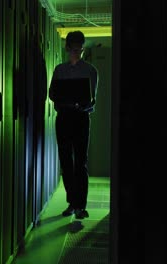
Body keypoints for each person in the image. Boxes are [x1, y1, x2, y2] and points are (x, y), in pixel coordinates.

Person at [49, 30, 98, 219]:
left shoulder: (91, 71)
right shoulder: (59, 70)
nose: (76, 54)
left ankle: (80, 206)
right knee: (66, 162)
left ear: (83, 49)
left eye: (80, 50)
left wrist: (82, 104)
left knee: (81, 163)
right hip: (63, 117)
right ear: (67, 48)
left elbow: (92, 100)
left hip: (81, 118)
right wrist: (65, 100)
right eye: (73, 50)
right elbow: (52, 93)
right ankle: (72, 202)